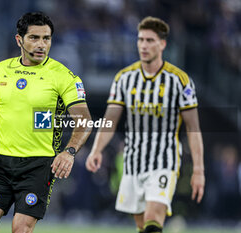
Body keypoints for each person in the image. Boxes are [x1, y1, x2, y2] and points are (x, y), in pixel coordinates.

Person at [0, 12, 92, 233]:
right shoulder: (1, 70)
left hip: (38, 166)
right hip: (1, 163)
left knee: (21, 228)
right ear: (19, 40)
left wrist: (69, 152)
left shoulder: (63, 76)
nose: (41, 44)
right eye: (34, 38)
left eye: (46, 38)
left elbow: (84, 120)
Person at [85, 16, 205, 233]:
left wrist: (199, 169)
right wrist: (97, 149)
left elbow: (193, 127)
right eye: (141, 40)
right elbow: (110, 120)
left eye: (150, 40)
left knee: (153, 217)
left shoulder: (180, 80)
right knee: (142, 225)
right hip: (133, 161)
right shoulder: (124, 78)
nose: (143, 45)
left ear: (163, 44)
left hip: (164, 161)